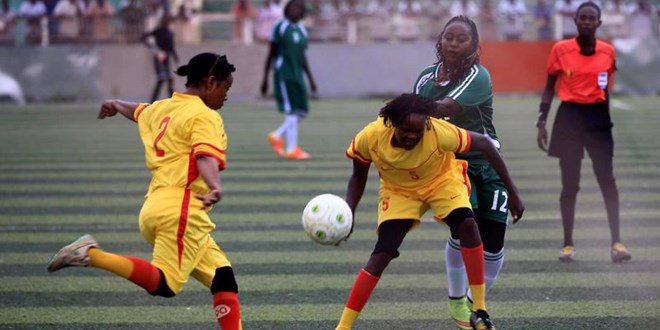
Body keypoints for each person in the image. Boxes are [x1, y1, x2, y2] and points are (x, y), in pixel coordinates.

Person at [46, 53, 243, 330]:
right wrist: (215, 186)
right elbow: (203, 156)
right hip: (183, 210)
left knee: (223, 277)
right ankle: (90, 254)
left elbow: (139, 111)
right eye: (226, 88)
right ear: (211, 82)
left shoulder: (163, 107)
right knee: (165, 284)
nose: (225, 96)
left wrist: (115, 104)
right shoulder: (203, 115)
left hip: (155, 208)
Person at [335, 93, 524, 330]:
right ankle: (343, 326)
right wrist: (349, 211)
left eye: (418, 130)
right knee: (382, 254)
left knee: (468, 225)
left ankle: (480, 309)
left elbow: (485, 144)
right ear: (391, 122)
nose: (412, 135)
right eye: (405, 129)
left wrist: (513, 191)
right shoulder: (370, 136)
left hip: (441, 182)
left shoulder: (438, 131)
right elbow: (358, 175)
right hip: (399, 191)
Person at [412, 14, 521, 330]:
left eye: (461, 39)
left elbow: (444, 108)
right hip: (452, 165)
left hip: (488, 162)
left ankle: (476, 304)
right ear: (440, 41)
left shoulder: (478, 76)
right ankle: (459, 302)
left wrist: (409, 109)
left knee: (494, 240)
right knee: (464, 226)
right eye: (449, 37)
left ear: (473, 46)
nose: (454, 43)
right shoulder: (424, 78)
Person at [536, 2, 632, 264]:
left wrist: (605, 123)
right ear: (575, 21)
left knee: (607, 179)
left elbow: (604, 89)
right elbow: (548, 88)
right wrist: (541, 122)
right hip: (569, 118)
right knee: (570, 184)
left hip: (598, 118)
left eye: (592, 18)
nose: (587, 22)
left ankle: (617, 243)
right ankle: (568, 244)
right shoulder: (560, 49)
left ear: (599, 23)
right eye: (583, 18)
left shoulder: (608, 52)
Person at [261, 0, 317, 160]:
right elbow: (271, 53)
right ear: (287, 9)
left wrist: (311, 79)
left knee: (302, 111)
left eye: (299, 8)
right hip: (284, 74)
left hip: (298, 74)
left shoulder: (302, 30)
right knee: (292, 110)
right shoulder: (280, 27)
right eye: (293, 7)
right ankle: (292, 148)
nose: (295, 10)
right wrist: (265, 78)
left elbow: (302, 56)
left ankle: (277, 135)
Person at [142, 15, 179, 102]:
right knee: (161, 79)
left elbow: (171, 47)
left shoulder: (170, 32)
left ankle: (172, 100)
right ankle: (152, 101)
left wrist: (175, 56)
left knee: (169, 78)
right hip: (160, 56)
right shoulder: (159, 31)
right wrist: (151, 46)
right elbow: (144, 36)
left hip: (166, 57)